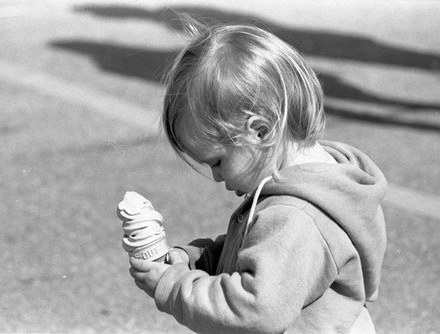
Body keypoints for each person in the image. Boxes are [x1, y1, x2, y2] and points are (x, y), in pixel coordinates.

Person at [129, 19, 387, 334]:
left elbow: (252, 310)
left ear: (260, 131)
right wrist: (197, 261)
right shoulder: (325, 182)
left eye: (217, 161)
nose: (215, 177)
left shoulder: (296, 217)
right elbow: (257, 253)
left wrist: (174, 287)